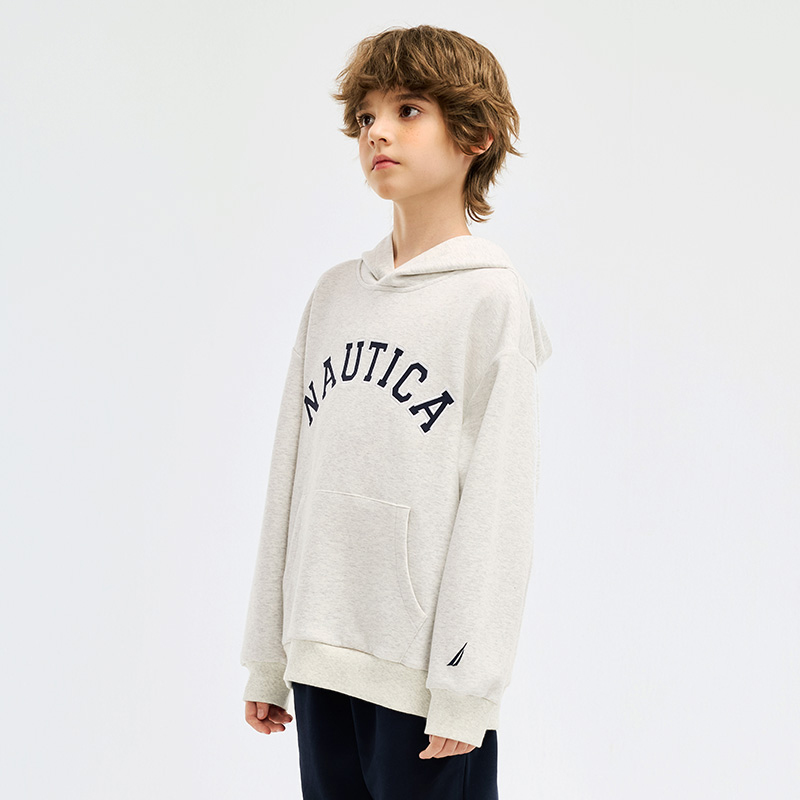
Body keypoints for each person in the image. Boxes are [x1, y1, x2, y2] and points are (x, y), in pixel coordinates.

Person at [240, 23, 553, 799]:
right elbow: (290, 477)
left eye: (408, 110)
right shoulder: (333, 295)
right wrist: (268, 656)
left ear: (475, 135)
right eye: (366, 116)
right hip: (320, 657)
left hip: (423, 678)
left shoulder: (492, 303)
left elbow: (498, 512)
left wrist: (466, 685)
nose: (377, 131)